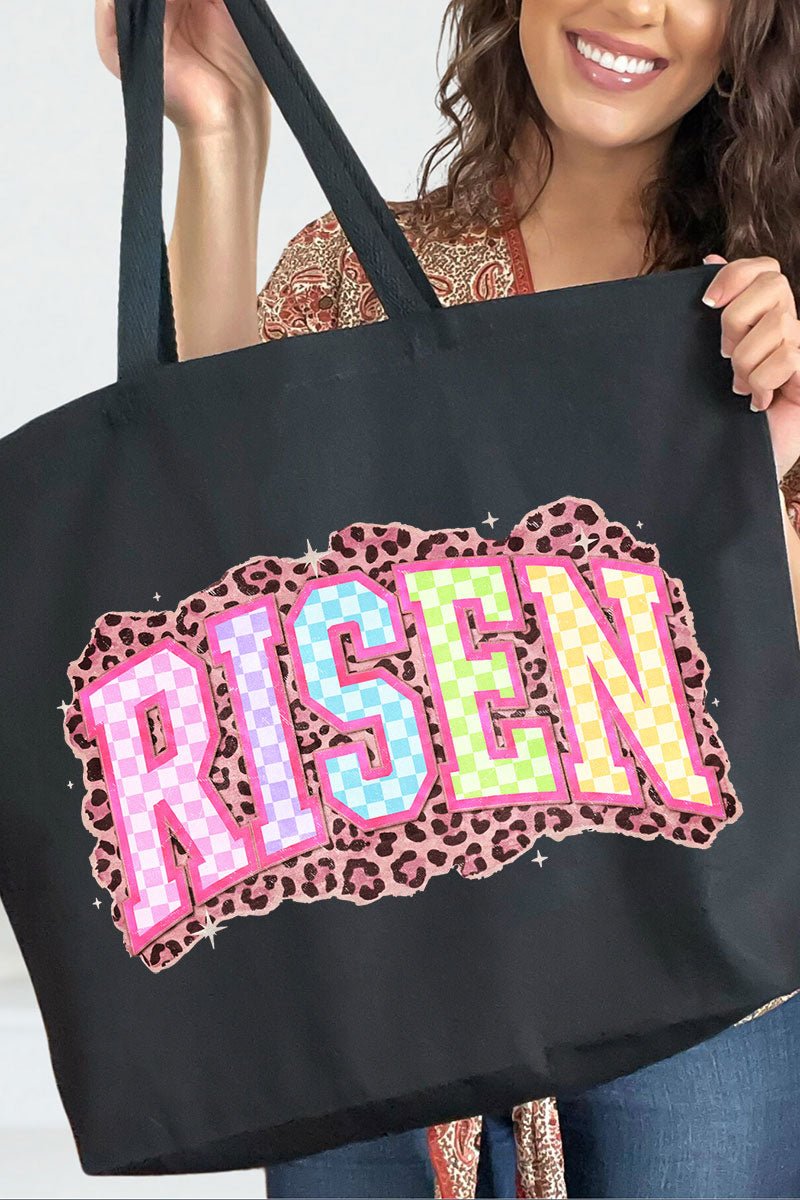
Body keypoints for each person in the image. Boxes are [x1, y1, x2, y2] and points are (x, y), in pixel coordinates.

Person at [96, 1, 800, 1196]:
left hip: (706, 991)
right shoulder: (355, 273)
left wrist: (767, 454)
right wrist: (218, 137)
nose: (635, 8)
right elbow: (221, 569)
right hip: (375, 997)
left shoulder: (769, 319)